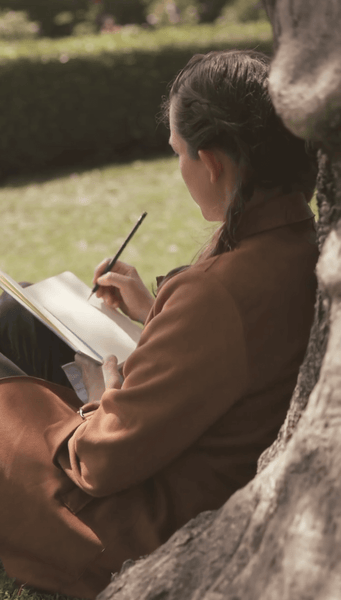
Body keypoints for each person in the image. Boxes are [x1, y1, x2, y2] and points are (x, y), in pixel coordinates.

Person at [0, 49, 318, 598]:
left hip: (125, 525)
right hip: (186, 470)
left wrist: (106, 393)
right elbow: (236, 357)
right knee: (17, 311)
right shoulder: (302, 244)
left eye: (179, 154)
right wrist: (154, 313)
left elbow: (100, 461)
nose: (181, 169)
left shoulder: (220, 289)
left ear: (212, 161)